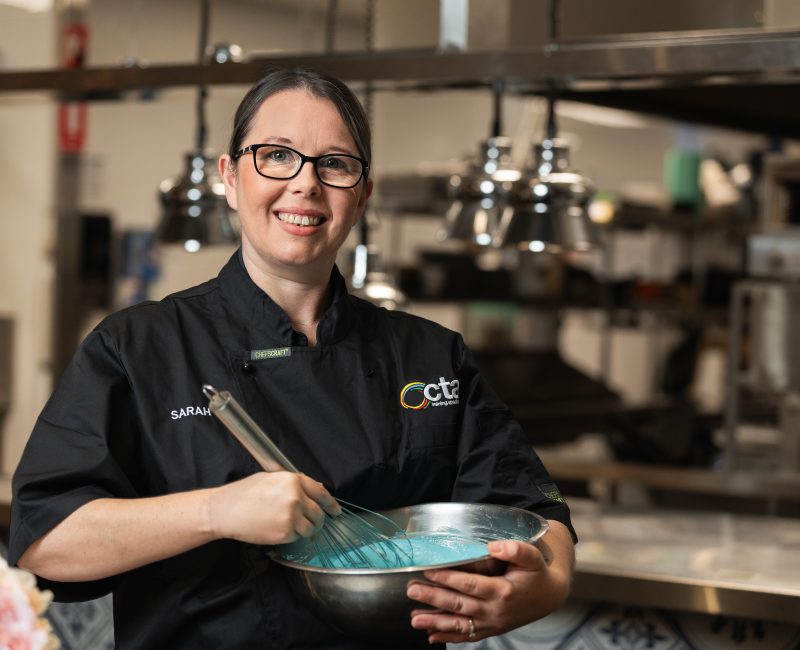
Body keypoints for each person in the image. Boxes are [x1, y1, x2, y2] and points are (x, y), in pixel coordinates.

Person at [10, 68, 576, 649]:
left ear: (363, 193)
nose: (305, 183)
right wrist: (216, 511)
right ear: (230, 178)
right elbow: (46, 541)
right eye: (277, 155)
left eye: (334, 163)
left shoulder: (431, 355)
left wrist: (548, 585)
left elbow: (532, 510)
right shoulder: (140, 347)